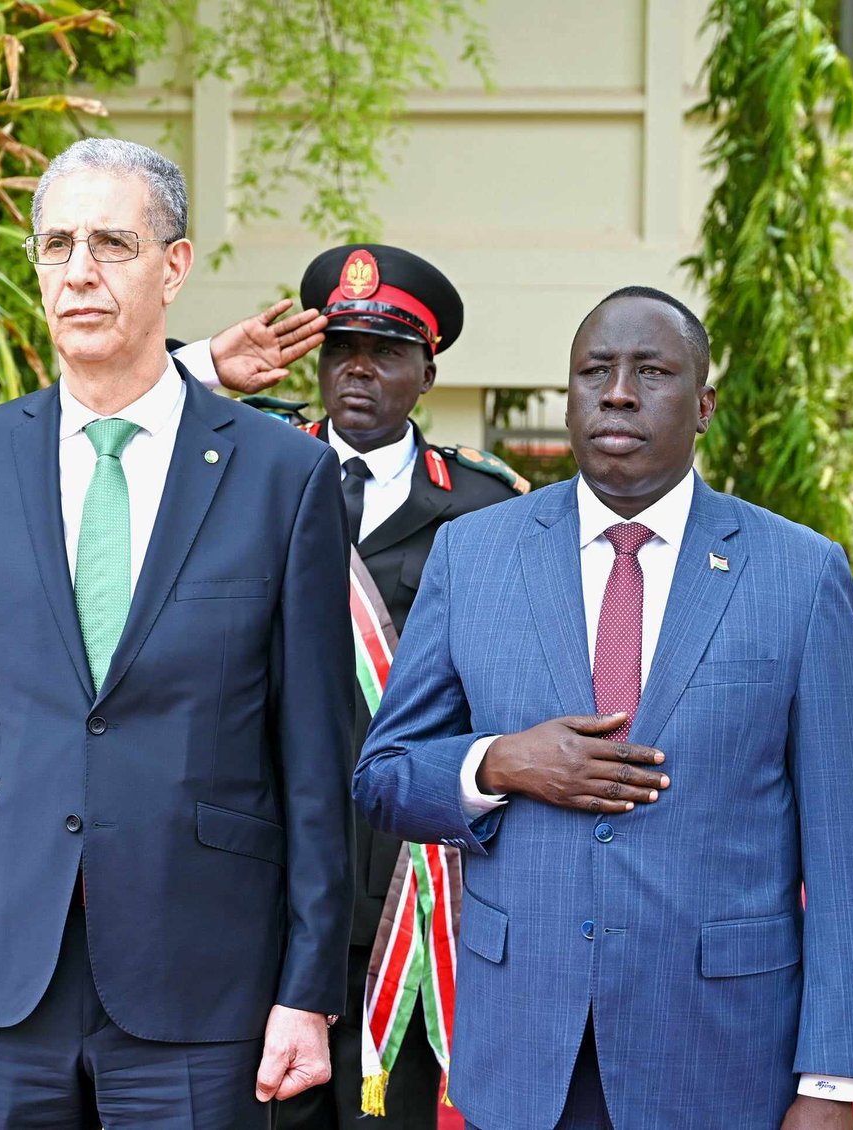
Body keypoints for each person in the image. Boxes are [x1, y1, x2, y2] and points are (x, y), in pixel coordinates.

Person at [0, 137, 355, 1129]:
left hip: (204, 978)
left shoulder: (282, 476)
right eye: (56, 246)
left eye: (111, 241)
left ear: (174, 265)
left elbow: (316, 756)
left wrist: (307, 986)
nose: (80, 272)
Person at [353, 286, 853, 1130]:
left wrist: (830, 1083)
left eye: (652, 371)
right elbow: (383, 777)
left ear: (704, 404)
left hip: (721, 1054)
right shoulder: (475, 554)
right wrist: (497, 762)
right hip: (528, 1050)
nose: (618, 392)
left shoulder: (799, 575)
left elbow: (844, 853)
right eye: (594, 371)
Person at [275, 244, 624, 1130]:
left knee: (389, 1114)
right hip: (272, 871)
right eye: (340, 345)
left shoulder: (484, 509)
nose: (357, 368)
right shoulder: (254, 477)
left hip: (416, 879)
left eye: (385, 350)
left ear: (427, 372)